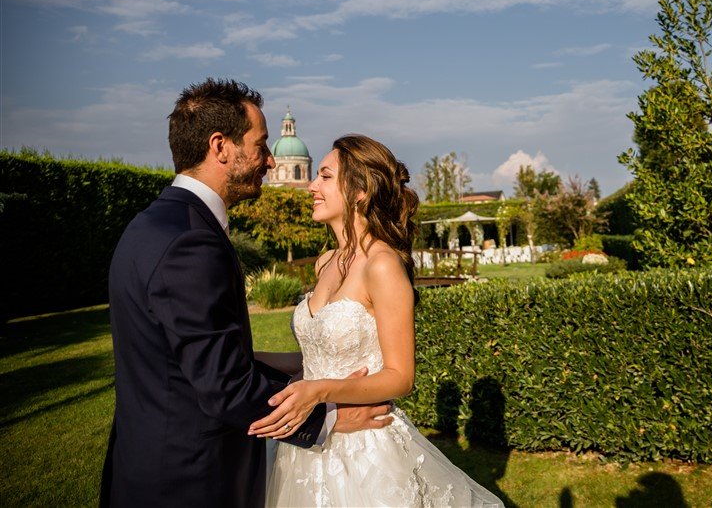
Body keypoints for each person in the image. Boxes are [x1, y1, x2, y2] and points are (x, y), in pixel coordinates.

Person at [101, 79, 392, 508]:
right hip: (189, 480)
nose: (271, 161)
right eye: (260, 145)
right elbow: (223, 387)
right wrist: (330, 416)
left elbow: (190, 359)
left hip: (146, 461)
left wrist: (308, 372)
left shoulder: (153, 223)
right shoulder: (190, 242)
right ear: (221, 147)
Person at [250, 134, 503, 507]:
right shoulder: (326, 262)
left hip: (365, 451)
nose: (311, 186)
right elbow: (316, 359)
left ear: (359, 192)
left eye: (324, 177)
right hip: (310, 441)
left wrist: (318, 391)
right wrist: (248, 354)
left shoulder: (382, 265)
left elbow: (400, 376)